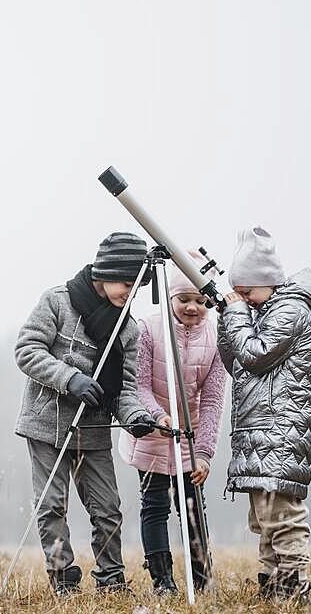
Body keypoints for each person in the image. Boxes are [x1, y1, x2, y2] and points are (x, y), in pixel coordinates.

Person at [15, 231, 157, 595]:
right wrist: (70, 379)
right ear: (106, 271)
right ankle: (63, 578)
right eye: (127, 282)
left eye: (137, 286)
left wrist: (137, 416)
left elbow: (125, 389)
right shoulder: (57, 302)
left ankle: (111, 580)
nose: (131, 292)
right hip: (47, 425)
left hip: (93, 433)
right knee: (52, 505)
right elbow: (27, 349)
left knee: (108, 509)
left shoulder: (127, 329)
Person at [217, 226, 311, 604]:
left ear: (268, 282)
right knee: (263, 517)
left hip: (282, 427)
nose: (243, 299)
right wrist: (225, 319)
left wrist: (236, 315)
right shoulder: (259, 312)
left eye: (247, 291)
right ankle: (272, 583)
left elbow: (256, 354)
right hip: (260, 428)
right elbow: (237, 364)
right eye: (239, 294)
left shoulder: (290, 311)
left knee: (283, 514)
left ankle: (294, 585)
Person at [118, 251, 226, 595]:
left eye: (200, 300)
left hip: (189, 439)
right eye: (184, 299)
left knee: (192, 504)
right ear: (170, 297)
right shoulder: (149, 329)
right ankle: (162, 580)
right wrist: (156, 417)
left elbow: (212, 400)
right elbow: (139, 385)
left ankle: (202, 578)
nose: (193, 307)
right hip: (152, 433)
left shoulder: (215, 338)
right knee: (155, 506)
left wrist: (205, 452)